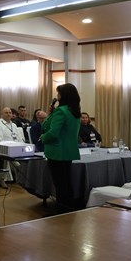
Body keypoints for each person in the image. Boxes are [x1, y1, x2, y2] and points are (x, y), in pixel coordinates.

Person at [40, 83, 82, 214]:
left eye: (58, 94)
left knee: (60, 184)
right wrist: (52, 113)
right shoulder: (75, 111)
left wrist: (43, 137)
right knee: (67, 183)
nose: (57, 96)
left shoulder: (61, 111)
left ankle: (61, 211)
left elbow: (51, 132)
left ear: (64, 95)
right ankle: (68, 208)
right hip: (69, 151)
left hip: (57, 152)